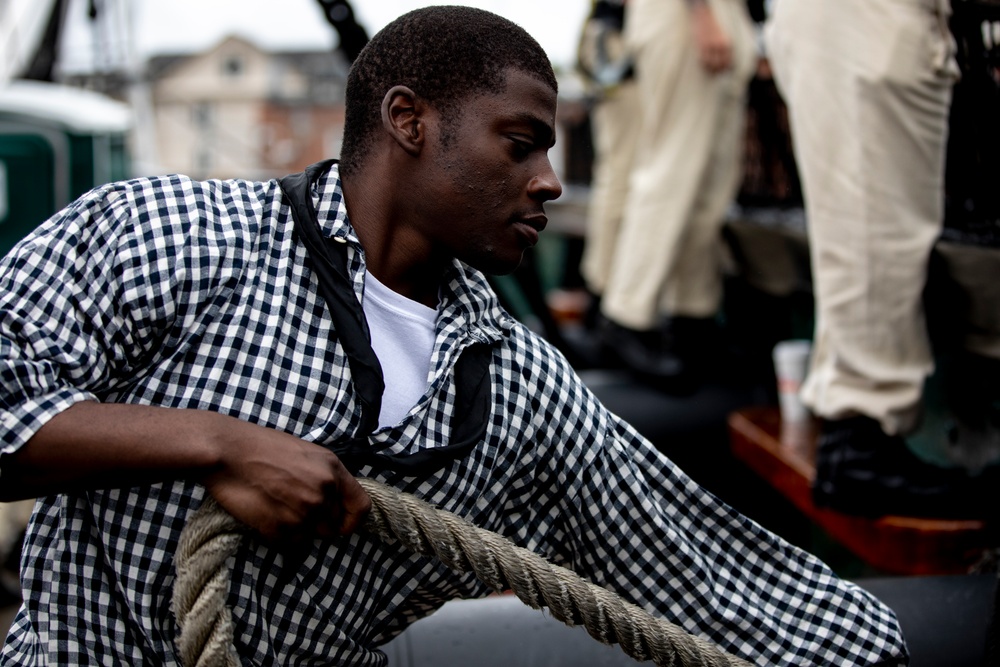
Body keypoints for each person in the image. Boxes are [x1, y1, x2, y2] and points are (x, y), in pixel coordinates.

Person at [0, 6, 906, 665]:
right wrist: (219, 444)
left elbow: (699, 566)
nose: (550, 180)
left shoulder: (518, 389)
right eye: (521, 144)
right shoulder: (172, 235)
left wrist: (879, 651)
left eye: (551, 151)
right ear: (409, 121)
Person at [763, 0, 992, 518]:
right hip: (866, 19)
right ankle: (860, 440)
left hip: (853, 22)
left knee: (861, 221)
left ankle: (855, 433)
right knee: (876, 225)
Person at [582, 0, 758, 391]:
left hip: (724, 13)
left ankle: (692, 320)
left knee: (709, 189)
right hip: (682, 12)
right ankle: (626, 317)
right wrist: (700, 11)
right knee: (671, 170)